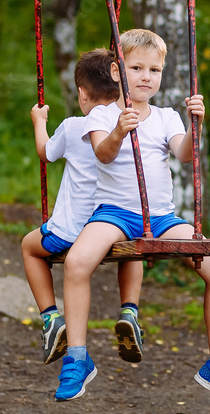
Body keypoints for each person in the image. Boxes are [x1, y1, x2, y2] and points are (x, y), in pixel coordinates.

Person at [55, 29, 210, 406]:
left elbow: (183, 154)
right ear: (116, 72)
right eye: (137, 68)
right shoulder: (102, 114)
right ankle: (77, 359)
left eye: (155, 70)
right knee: (78, 263)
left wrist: (196, 126)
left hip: (161, 216)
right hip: (114, 214)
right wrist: (118, 130)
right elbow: (103, 154)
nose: (147, 76)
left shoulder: (166, 116)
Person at [22, 48, 146, 367]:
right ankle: (129, 310)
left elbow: (44, 152)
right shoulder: (131, 126)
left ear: (82, 94)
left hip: (73, 235)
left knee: (29, 247)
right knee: (132, 248)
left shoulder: (74, 126)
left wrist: (39, 120)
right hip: (114, 229)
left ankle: (51, 319)